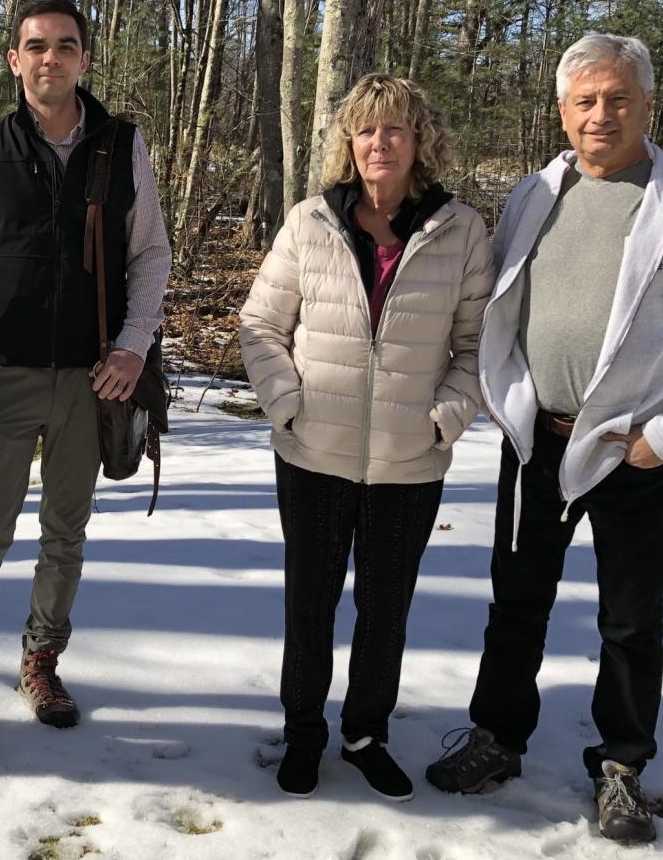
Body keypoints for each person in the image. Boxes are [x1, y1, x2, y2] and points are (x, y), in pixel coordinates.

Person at [423, 34, 663, 844]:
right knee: (516, 602)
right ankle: (498, 737)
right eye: (585, 101)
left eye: (618, 99)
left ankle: (621, 764)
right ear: (562, 110)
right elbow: (502, 306)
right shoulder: (534, 194)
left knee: (629, 617)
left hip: (634, 448)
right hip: (536, 439)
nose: (601, 115)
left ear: (648, 104)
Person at [0, 0, 171, 759]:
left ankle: (42, 660)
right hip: (4, 371)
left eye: (65, 46)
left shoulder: (122, 148)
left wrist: (131, 346)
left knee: (66, 531)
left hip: (93, 378)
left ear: (85, 59)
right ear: (15, 59)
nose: (50, 59)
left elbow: (151, 257)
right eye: (36, 46)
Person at [239, 74, 495, 800]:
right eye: (365, 130)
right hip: (313, 452)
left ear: (420, 142)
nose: (379, 143)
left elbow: (478, 346)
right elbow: (260, 324)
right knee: (310, 604)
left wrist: (442, 418)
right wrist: (287, 404)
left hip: (409, 461)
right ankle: (303, 734)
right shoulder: (310, 222)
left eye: (394, 130)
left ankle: (365, 733)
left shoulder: (460, 230)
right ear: (348, 143)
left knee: (387, 610)